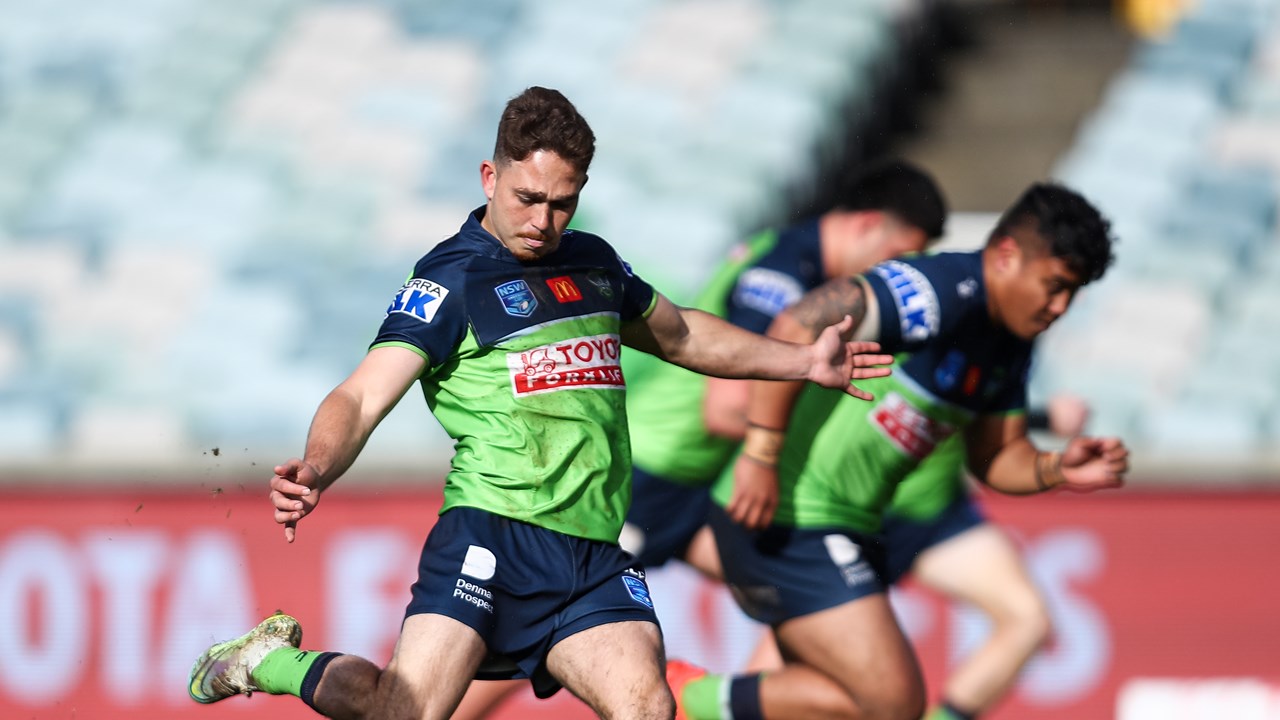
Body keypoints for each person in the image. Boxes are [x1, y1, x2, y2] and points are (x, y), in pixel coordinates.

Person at [185, 86, 895, 720]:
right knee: (402, 711)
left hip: (591, 555)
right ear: (491, 177)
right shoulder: (450, 280)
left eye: (563, 202)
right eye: (528, 199)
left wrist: (801, 360)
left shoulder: (593, 261)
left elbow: (681, 336)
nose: (543, 221)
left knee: (649, 708)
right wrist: (317, 465)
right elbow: (362, 394)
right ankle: (265, 661)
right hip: (492, 534)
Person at [451, 158, 949, 720]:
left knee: (805, 591)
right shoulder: (782, 276)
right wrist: (796, 449)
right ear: (865, 226)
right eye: (900, 256)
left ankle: (723, 703)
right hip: (650, 471)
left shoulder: (798, 262)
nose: (898, 274)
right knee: (533, 633)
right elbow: (727, 408)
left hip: (695, 483)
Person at [669, 182, 1130, 720]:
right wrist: (762, 452)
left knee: (845, 706)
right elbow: (801, 321)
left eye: (1074, 294)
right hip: (792, 519)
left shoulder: (1010, 343)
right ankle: (686, 699)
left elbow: (994, 458)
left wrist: (1055, 467)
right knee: (894, 701)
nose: (1061, 307)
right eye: (1055, 286)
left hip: (850, 529)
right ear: (1006, 255)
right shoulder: (938, 291)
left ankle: (698, 702)